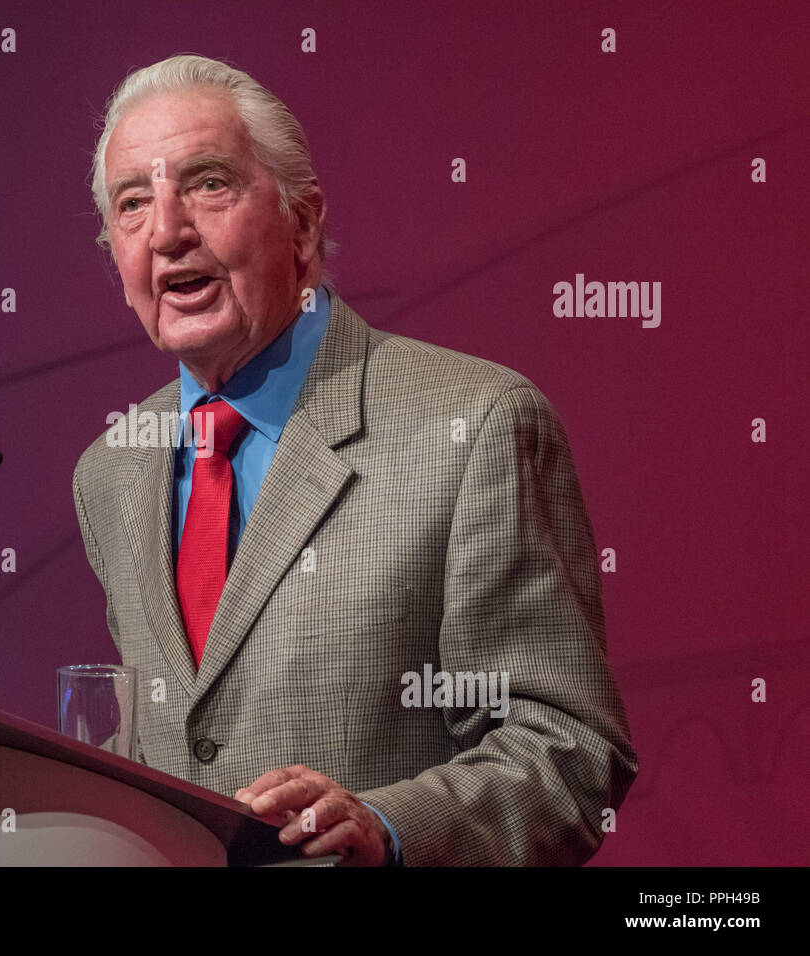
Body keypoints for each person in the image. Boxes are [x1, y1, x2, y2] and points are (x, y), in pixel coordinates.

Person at [72, 54, 636, 865]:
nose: (166, 231)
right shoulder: (111, 471)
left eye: (207, 184)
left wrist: (388, 829)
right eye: (133, 204)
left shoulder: (474, 423)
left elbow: (570, 752)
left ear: (302, 225)